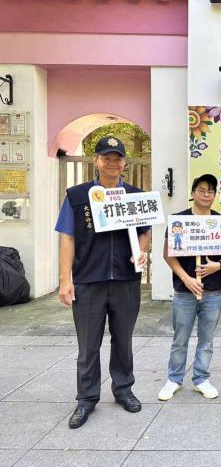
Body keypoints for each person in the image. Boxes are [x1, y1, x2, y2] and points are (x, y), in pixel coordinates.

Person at [56, 136, 150, 429]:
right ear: (95, 161)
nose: (112, 162)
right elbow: (67, 237)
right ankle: (86, 398)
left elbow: (144, 231)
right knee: (88, 345)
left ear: (124, 162)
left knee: (123, 340)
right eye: (106, 157)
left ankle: (123, 390)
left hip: (125, 279)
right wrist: (65, 280)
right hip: (88, 280)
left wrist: (142, 251)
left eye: (117, 158)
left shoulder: (135, 195)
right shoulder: (77, 196)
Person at [158, 174, 221, 402]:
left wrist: (216, 265)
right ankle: (174, 379)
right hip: (184, 291)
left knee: (207, 339)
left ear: (215, 195)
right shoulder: (180, 220)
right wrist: (186, 278)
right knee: (180, 338)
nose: (206, 194)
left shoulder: (220, 221)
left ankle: (201, 379)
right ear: (192, 193)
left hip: (213, 291)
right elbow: (168, 254)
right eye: (201, 189)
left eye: (211, 190)